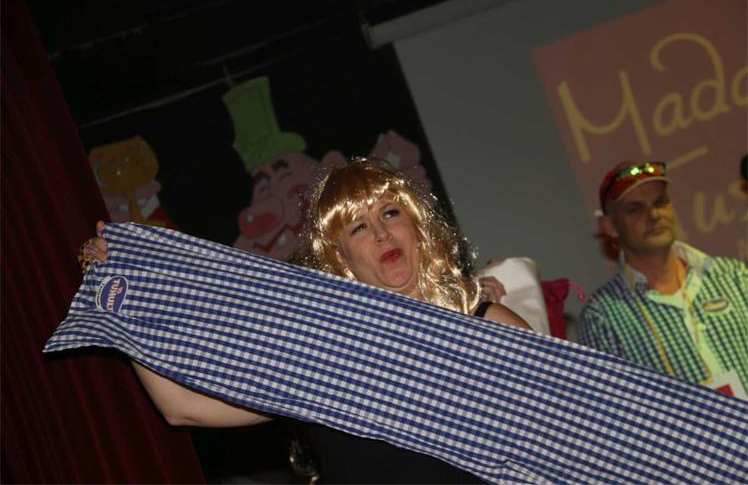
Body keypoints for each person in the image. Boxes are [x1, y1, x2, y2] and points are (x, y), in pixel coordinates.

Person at [80, 157, 529, 483]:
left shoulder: (489, 325)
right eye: (358, 227)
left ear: (417, 227)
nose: (380, 233)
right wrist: (116, 300)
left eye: (390, 213)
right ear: (341, 258)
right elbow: (183, 406)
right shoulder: (322, 357)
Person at [579, 160, 747, 398]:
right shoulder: (603, 317)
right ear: (609, 226)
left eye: (660, 202)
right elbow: (616, 407)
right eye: (635, 209)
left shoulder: (734, 276)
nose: (654, 215)